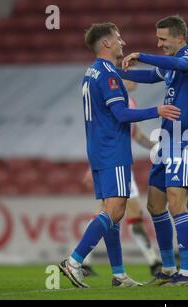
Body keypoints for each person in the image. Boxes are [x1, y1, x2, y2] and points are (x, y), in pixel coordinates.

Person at [58, 22, 180, 288]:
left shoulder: (91, 72)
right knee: (114, 210)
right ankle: (75, 260)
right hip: (113, 149)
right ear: (106, 44)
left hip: (99, 148)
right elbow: (122, 115)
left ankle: (119, 274)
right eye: (118, 38)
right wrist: (156, 111)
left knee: (112, 211)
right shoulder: (108, 75)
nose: (123, 42)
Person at [119, 15, 188, 286]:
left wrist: (141, 54)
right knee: (155, 205)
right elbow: (150, 75)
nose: (159, 44)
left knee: (176, 201)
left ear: (180, 37)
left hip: (185, 140)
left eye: (163, 39)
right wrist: (116, 72)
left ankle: (187, 273)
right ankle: (169, 268)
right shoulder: (170, 65)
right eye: (157, 39)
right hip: (166, 140)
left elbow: (175, 63)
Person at [82, 79, 162, 277]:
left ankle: (150, 262)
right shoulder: (114, 98)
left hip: (120, 163)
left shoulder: (129, 101)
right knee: (110, 213)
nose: (136, 80)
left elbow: (136, 134)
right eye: (131, 75)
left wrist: (156, 146)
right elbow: (102, 133)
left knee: (120, 213)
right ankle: (80, 260)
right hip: (113, 163)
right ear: (122, 79)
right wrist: (93, 165)